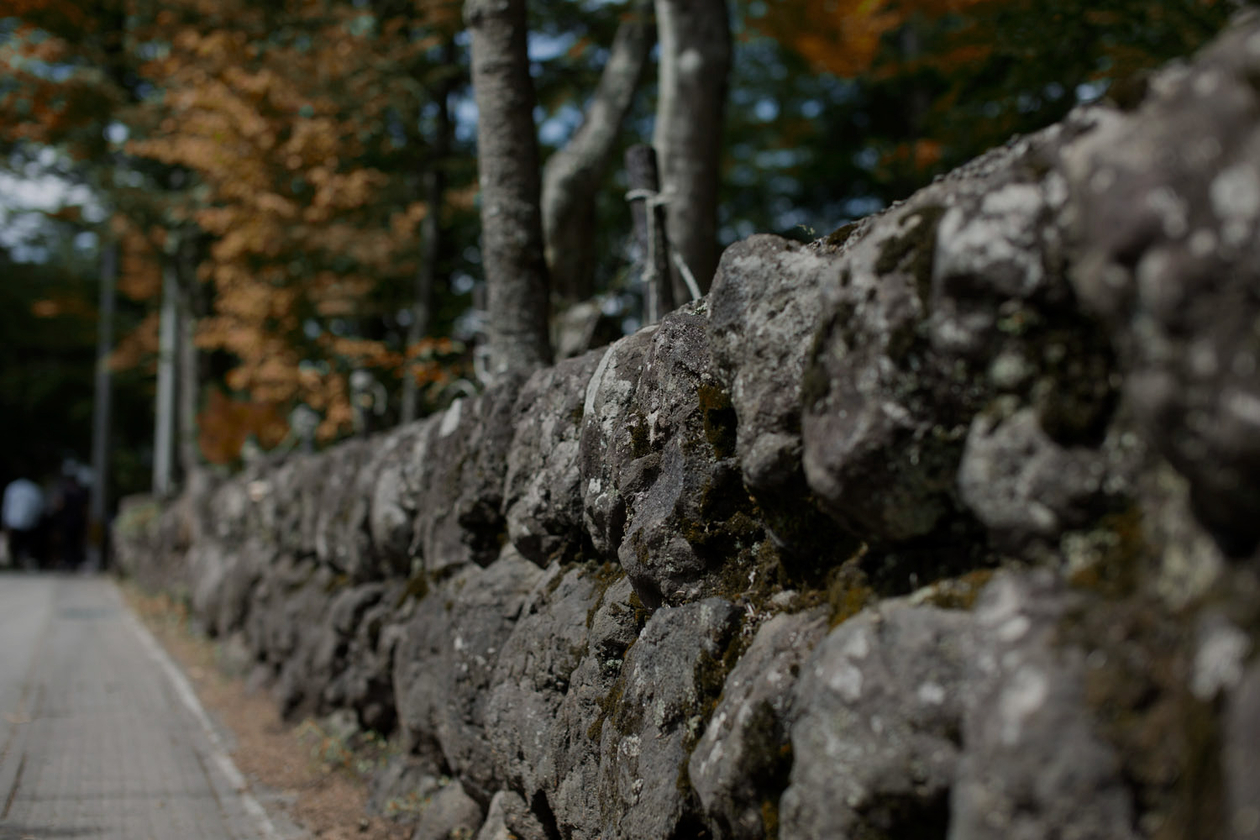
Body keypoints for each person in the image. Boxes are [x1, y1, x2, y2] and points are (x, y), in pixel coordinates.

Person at [3, 476, 45, 570]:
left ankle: (16, 562)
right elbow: (40, 507)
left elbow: (7, 505)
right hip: (30, 522)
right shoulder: (34, 488)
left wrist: (5, 521)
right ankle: (22, 562)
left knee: (15, 545)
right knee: (26, 545)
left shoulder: (12, 487)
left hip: (14, 521)